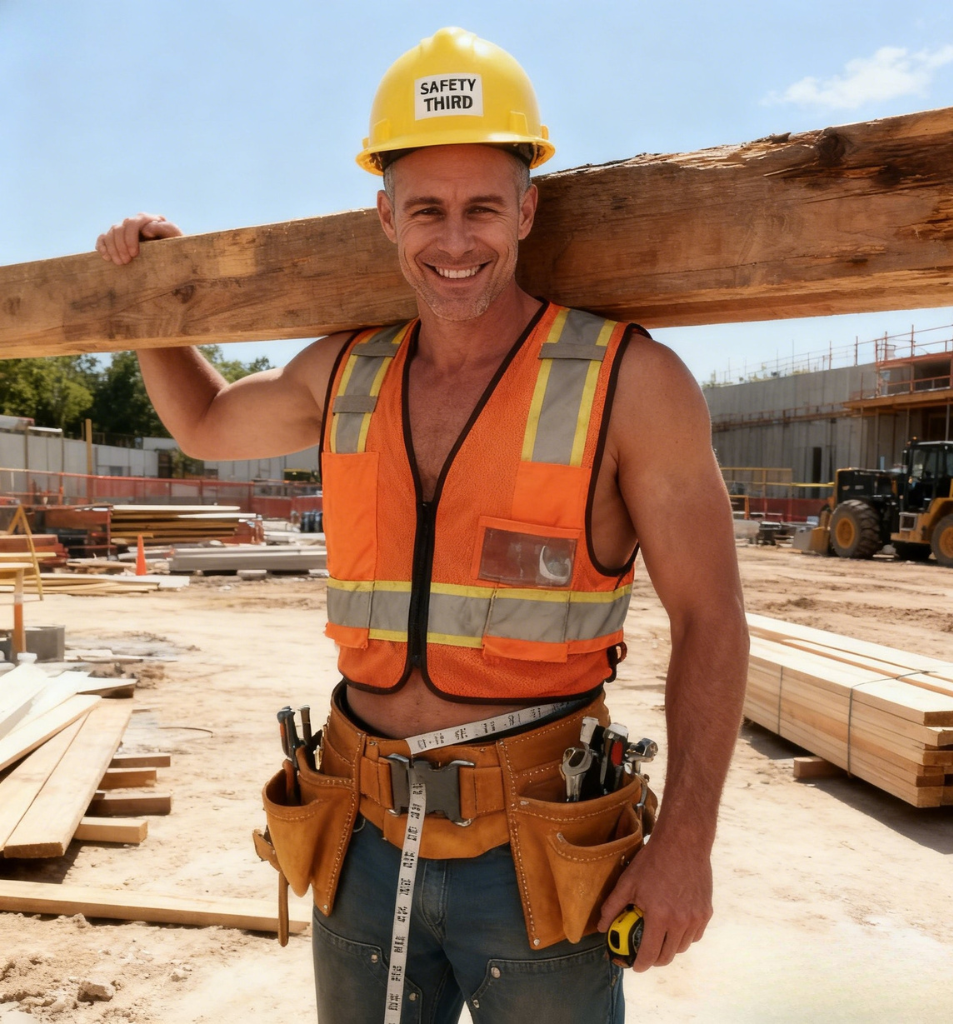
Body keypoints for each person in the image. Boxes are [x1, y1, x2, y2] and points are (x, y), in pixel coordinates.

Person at [96, 27, 748, 1024]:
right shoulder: (347, 371)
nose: (455, 241)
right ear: (384, 214)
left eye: (483, 207)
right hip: (358, 834)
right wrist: (148, 304)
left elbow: (713, 619)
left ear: (526, 207)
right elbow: (206, 419)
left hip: (538, 851)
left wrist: (686, 845)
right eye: (428, 210)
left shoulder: (630, 384)